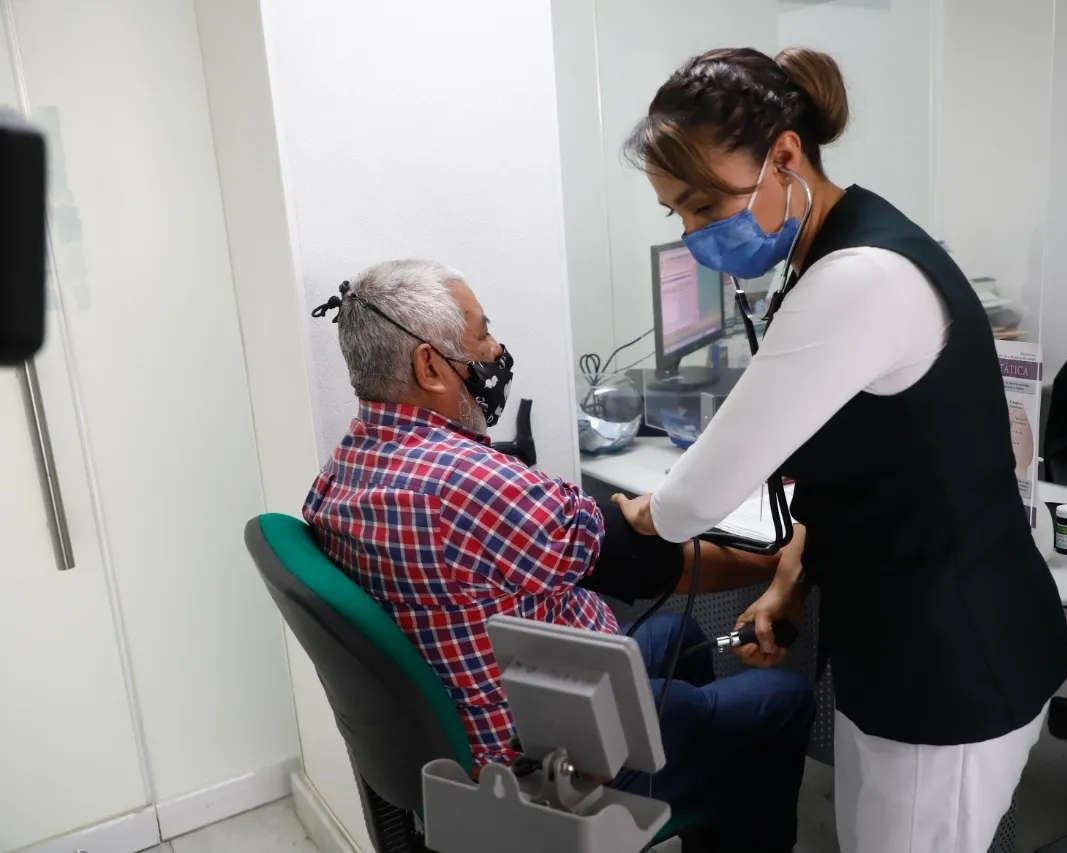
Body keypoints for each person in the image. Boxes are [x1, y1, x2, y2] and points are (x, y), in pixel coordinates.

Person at [612, 48, 1067, 853]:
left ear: (785, 156)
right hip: (897, 645)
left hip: (953, 669)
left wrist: (640, 517)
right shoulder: (840, 247)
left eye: (704, 204)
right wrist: (788, 582)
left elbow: (695, 496)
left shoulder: (859, 277)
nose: (693, 236)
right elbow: (858, 469)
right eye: (675, 215)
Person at [303, 259, 814, 852]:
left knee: (683, 637)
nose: (495, 349)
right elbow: (650, 564)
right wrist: (782, 569)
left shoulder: (342, 471)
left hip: (497, 708)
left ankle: (692, 797)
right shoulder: (473, 484)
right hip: (553, 756)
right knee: (782, 699)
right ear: (429, 365)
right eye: (481, 334)